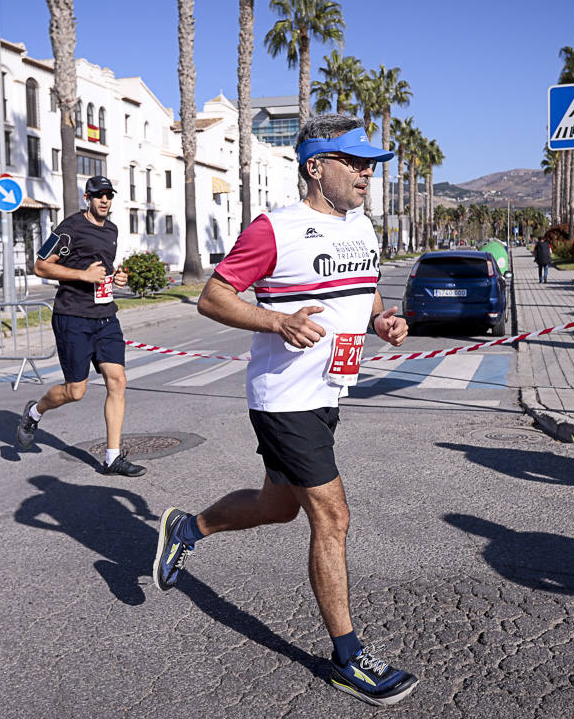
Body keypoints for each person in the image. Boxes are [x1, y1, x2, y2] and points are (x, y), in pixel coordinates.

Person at [152, 115, 418, 707]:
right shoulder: (276, 228)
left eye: (370, 163)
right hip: (283, 398)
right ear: (315, 167)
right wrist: (277, 320)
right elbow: (211, 296)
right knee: (333, 516)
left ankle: (186, 528)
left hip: (328, 391)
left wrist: (381, 319)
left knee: (277, 507)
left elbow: (365, 286)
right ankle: (348, 657)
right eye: (354, 162)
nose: (367, 173)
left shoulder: (362, 226)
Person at [15, 175, 143, 477]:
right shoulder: (69, 228)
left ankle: (112, 458)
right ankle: (34, 412)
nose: (104, 200)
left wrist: (115, 278)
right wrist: (82, 275)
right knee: (75, 392)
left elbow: (102, 269)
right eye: (99, 195)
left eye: (109, 195)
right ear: (87, 197)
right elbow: (41, 265)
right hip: (73, 317)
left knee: (118, 380)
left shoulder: (112, 230)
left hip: (105, 316)